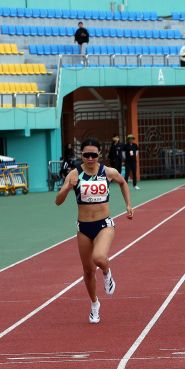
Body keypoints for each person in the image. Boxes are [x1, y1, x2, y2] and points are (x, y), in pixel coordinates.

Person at [55, 138, 134, 323]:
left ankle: (107, 274)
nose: (90, 158)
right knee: (89, 271)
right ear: (81, 155)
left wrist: (128, 205)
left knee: (99, 258)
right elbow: (58, 201)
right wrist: (67, 187)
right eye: (86, 155)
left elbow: (123, 182)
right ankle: (94, 305)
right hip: (83, 228)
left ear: (100, 154)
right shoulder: (74, 174)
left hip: (104, 225)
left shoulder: (107, 172)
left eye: (94, 155)